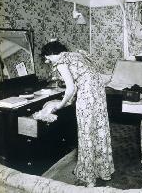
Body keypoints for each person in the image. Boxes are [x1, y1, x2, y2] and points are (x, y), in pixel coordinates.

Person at [40, 41, 114, 186]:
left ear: (51, 54)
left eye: (48, 59)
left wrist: (60, 105)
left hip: (87, 97)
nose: (49, 62)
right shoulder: (77, 54)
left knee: (86, 134)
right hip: (98, 93)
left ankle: (89, 177)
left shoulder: (61, 62)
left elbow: (70, 89)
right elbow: (88, 76)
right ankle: (104, 171)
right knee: (99, 131)